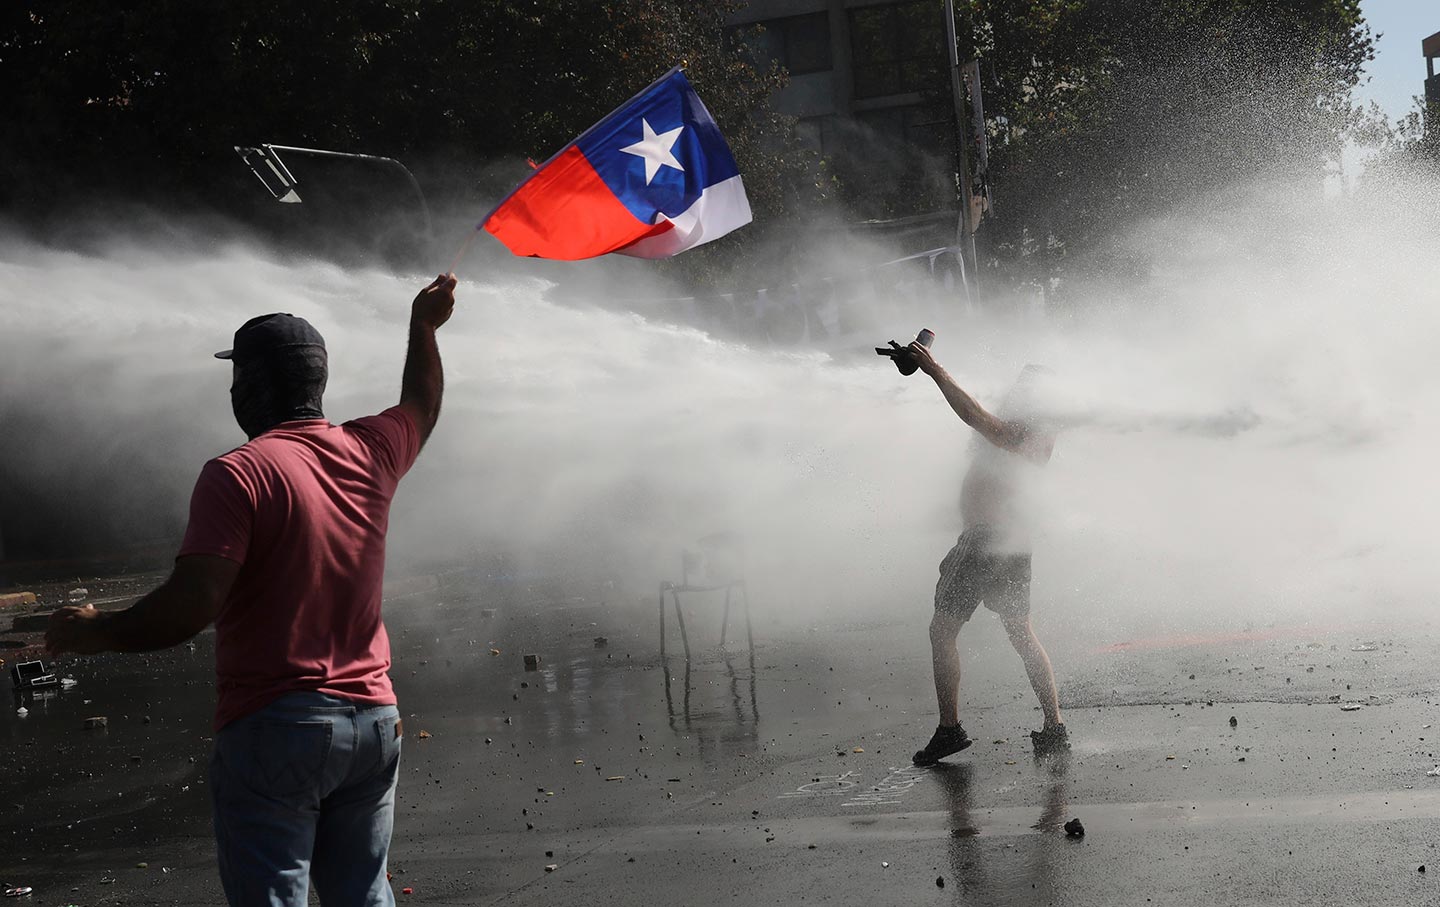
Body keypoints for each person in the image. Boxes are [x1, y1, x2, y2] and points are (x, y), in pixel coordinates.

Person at [45, 273, 458, 906]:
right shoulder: (369, 450)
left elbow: (193, 603)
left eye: (237, 376)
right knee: (362, 895)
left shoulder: (239, 474)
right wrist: (422, 328)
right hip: (374, 722)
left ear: (253, 385)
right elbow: (422, 405)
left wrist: (94, 632)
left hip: (279, 726)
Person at [905, 343, 1069, 765]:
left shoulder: (1023, 432)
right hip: (1010, 543)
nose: (1015, 390)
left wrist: (935, 370)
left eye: (1024, 387)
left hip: (985, 541)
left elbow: (977, 419)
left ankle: (949, 730)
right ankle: (1054, 728)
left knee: (942, 632)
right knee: (1021, 634)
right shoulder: (1033, 432)